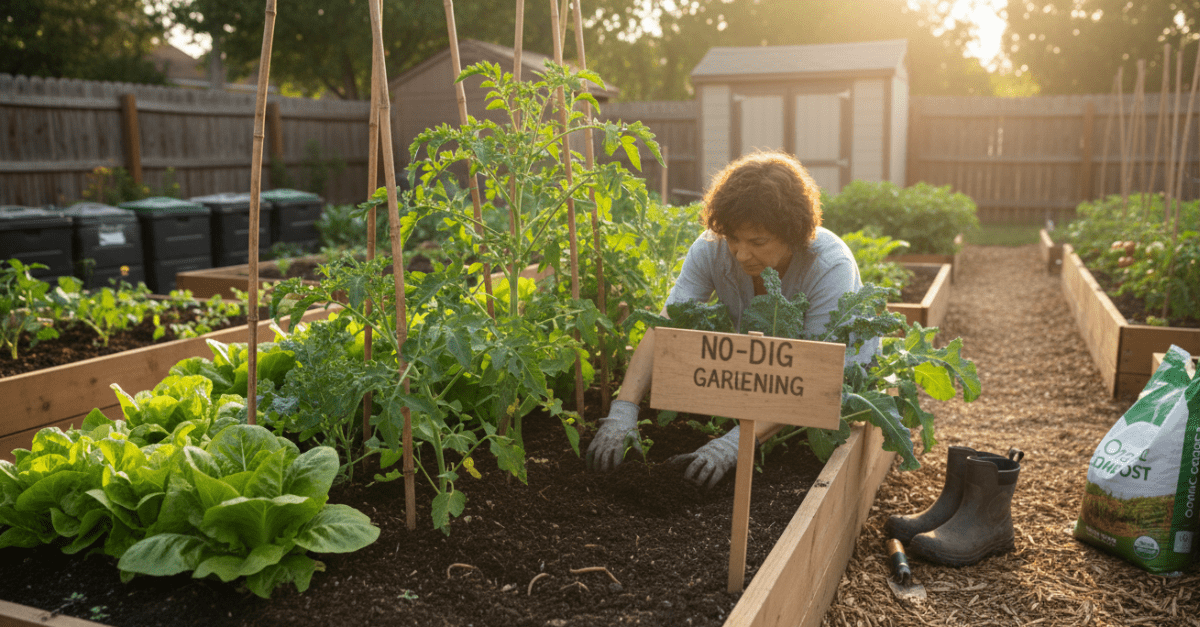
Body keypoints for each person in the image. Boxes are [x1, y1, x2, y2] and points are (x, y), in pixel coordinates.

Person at [584, 151, 874, 487]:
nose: (741, 254)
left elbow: (813, 378)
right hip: (762, 370)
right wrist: (624, 409)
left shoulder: (828, 265)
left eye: (758, 242)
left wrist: (732, 445)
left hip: (833, 378)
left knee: (820, 422)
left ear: (795, 232)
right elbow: (666, 327)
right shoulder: (711, 249)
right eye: (733, 239)